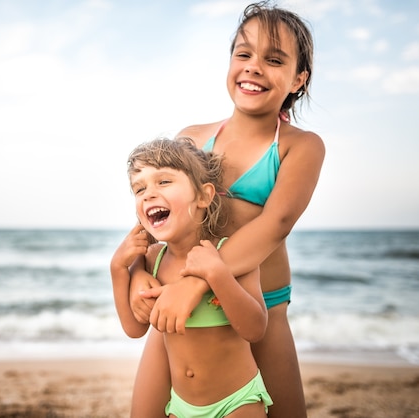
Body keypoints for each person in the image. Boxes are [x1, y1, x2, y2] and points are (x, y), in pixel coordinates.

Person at [124, 2, 325, 417]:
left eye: (274, 59)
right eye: (243, 53)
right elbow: (156, 215)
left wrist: (195, 283)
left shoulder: (298, 146)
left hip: (259, 304)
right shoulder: (192, 137)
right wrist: (139, 271)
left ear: (298, 78)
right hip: (180, 306)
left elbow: (276, 224)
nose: (253, 67)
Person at [111, 137, 273, 417]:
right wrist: (117, 269)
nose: (148, 194)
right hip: (180, 406)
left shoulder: (228, 255)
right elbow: (134, 329)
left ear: (203, 196)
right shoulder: (153, 259)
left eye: (163, 182)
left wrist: (218, 276)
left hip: (237, 402)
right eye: (139, 188)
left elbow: (255, 329)